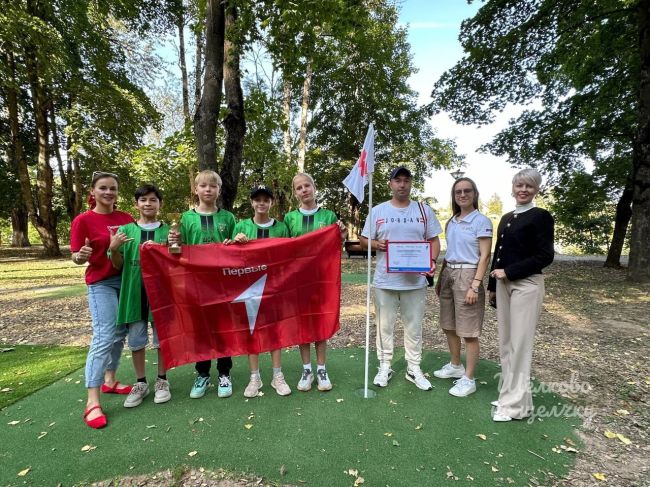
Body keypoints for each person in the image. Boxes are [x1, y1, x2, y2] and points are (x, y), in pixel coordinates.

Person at [360, 166, 442, 391]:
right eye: (398, 180)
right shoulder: (378, 211)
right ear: (390, 184)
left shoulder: (424, 210)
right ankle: (385, 365)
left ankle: (413, 367)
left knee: (413, 326)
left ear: (411, 184)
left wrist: (432, 261)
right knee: (384, 326)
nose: (402, 184)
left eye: (406, 180)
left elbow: (434, 241)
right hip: (385, 281)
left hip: (415, 281)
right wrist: (377, 244)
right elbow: (364, 241)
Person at [488, 168, 554, 422]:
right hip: (503, 286)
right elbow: (498, 253)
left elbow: (545, 255)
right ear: (513, 188)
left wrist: (509, 271)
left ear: (536, 189)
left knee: (520, 345)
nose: (523, 190)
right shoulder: (506, 217)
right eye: (520, 185)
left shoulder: (541, 216)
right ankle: (510, 395)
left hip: (527, 285)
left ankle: (515, 407)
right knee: (506, 343)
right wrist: (492, 287)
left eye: (529, 186)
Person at [70, 171, 134, 429]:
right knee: (105, 335)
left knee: (120, 333)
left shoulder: (125, 218)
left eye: (113, 189)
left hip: (126, 281)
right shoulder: (83, 220)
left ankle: (110, 380)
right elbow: (76, 256)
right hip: (101, 282)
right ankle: (92, 401)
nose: (108, 192)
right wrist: (81, 255)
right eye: (103, 188)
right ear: (93, 192)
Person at [168, 170, 236, 399]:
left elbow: (237, 251)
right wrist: (172, 243)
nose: (208, 190)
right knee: (200, 329)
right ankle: (203, 373)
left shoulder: (228, 218)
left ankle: (224, 373)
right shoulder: (185, 219)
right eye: (203, 186)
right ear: (196, 189)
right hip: (195, 284)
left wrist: (232, 244)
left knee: (223, 327)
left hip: (222, 283)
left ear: (219, 189)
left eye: (213, 186)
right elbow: (176, 252)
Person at [108, 184, 171, 408]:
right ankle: (141, 382)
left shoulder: (168, 231)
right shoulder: (125, 231)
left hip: (161, 293)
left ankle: (162, 380)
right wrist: (114, 248)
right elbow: (118, 265)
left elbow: (176, 261)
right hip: (134, 292)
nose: (148, 204)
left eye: (153, 200)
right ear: (136, 204)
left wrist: (168, 247)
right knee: (136, 340)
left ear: (159, 204)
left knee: (162, 339)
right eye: (143, 200)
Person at [226, 185, 292, 397]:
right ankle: (254, 377)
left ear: (271, 203)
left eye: (266, 199)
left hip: (274, 287)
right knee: (251, 330)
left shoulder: (281, 228)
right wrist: (236, 243)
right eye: (257, 199)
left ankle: (277, 376)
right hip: (249, 287)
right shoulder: (241, 226)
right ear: (252, 202)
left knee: (274, 330)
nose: (261, 203)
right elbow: (228, 256)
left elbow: (290, 256)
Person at [284, 172, 346, 392]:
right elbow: (283, 248)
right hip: (298, 280)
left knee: (319, 322)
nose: (304, 190)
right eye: (299, 188)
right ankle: (306, 369)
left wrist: (342, 235)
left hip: (322, 279)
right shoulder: (289, 218)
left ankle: (321, 368)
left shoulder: (328, 216)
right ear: (295, 192)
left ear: (314, 187)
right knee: (302, 324)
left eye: (307, 186)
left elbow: (335, 245)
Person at [433, 177, 492, 397]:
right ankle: (455, 365)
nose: (463, 195)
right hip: (449, 273)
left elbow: (485, 256)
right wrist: (441, 279)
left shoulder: (481, 221)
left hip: (469, 275)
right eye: (458, 192)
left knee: (468, 331)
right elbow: (448, 254)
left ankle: (469, 378)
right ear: (454, 196)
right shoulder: (452, 221)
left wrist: (474, 286)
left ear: (474, 194)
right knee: (448, 325)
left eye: (467, 191)